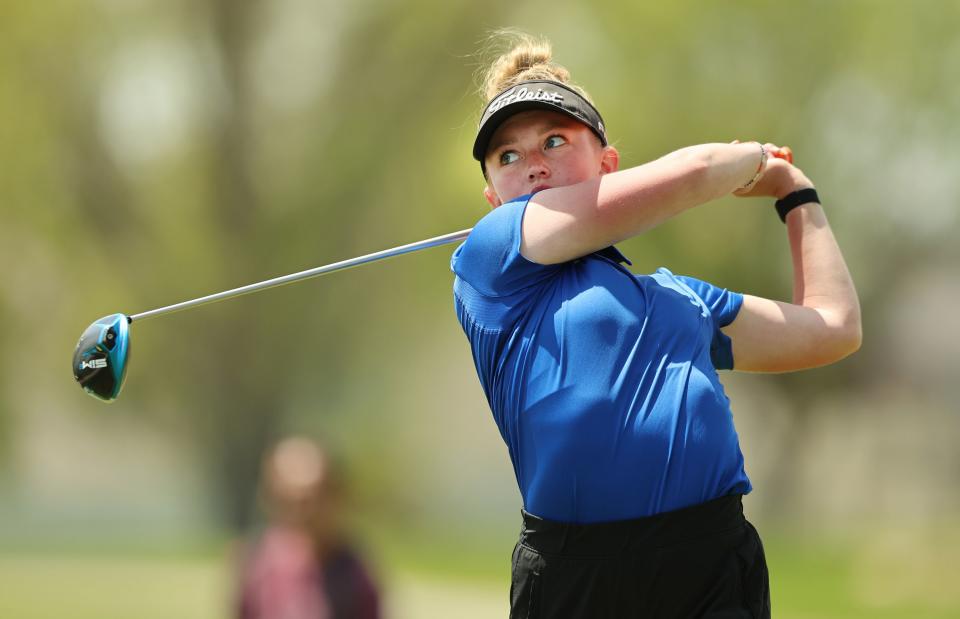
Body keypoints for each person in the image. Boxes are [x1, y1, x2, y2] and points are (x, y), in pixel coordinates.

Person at [451, 33, 861, 618]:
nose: (533, 165)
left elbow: (834, 328)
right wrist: (751, 161)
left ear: (607, 166)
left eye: (555, 140)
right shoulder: (489, 260)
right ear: (494, 198)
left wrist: (797, 194)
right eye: (508, 157)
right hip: (578, 573)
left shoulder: (679, 298)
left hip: (711, 563)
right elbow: (697, 171)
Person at [235, 436, 380, 619]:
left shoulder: (355, 574)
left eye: (311, 500)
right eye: (288, 501)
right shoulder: (258, 564)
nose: (303, 514)